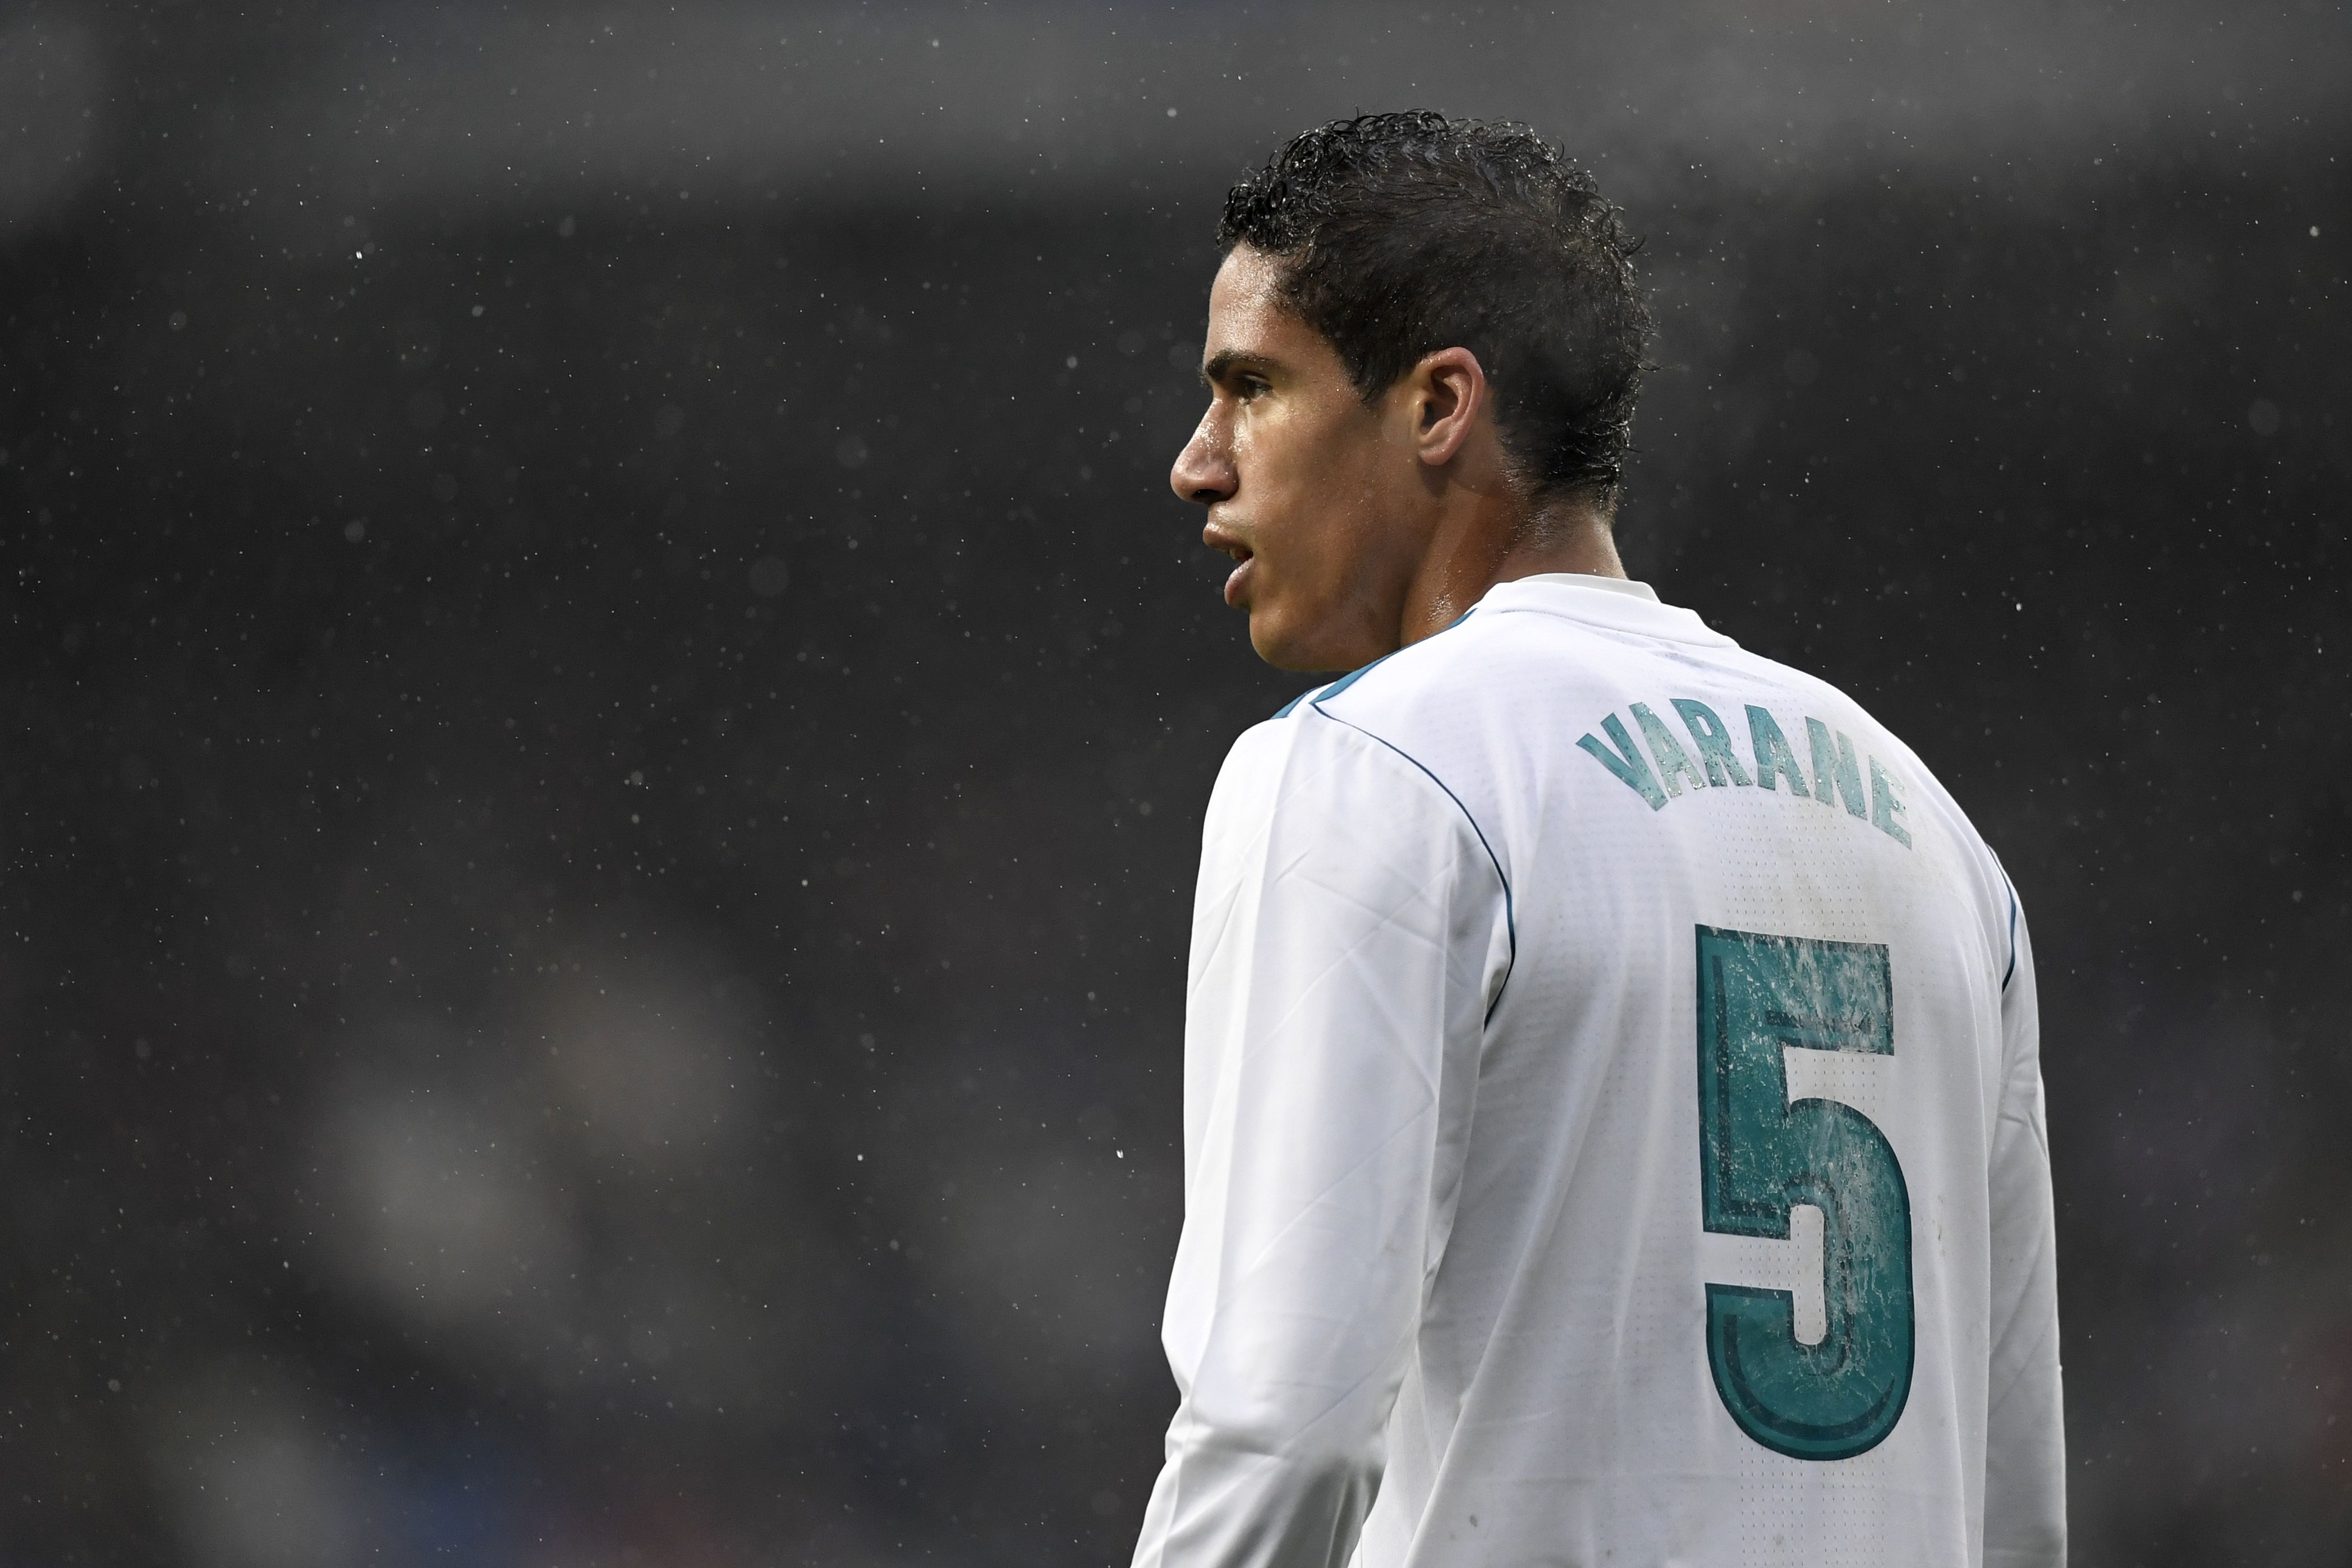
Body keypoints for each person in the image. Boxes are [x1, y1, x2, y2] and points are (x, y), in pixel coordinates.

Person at [1131, 112, 2064, 1568]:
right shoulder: (1938, 838)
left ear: (1439, 405)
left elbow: (1282, 1429)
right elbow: (2014, 1510)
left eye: (1253, 387)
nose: (1200, 463)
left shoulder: (1373, 770)